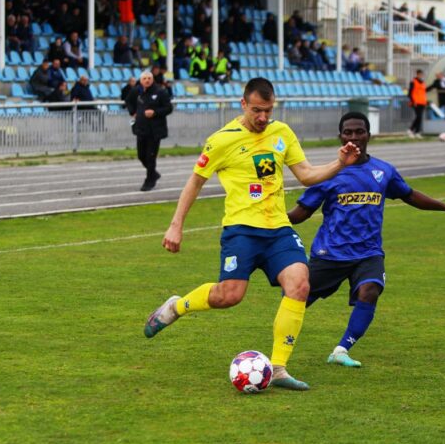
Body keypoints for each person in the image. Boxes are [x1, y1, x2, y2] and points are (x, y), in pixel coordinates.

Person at [143, 77, 361, 391]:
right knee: (229, 296)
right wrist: (176, 224)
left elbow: (307, 175)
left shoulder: (282, 133)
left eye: (268, 111)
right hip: (241, 231)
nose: (262, 118)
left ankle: (279, 367)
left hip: (279, 231)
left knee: (299, 284)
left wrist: (339, 163)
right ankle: (177, 306)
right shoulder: (221, 140)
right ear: (243, 104)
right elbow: (195, 182)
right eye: (257, 110)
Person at [287, 112, 445, 367]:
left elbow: (409, 195)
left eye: (359, 131)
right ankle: (277, 348)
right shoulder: (327, 175)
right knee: (297, 298)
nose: (353, 137)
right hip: (330, 253)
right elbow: (301, 213)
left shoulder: (383, 171)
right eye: (348, 132)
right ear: (340, 136)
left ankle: (341, 351)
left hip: (368, 253)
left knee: (370, 291)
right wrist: (271, 220)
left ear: (368, 135)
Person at [131, 70, 172, 191]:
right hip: (141, 129)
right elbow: (128, 101)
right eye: (145, 78)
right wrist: (132, 112)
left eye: (149, 78)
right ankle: (153, 173)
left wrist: (155, 113)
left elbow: (168, 108)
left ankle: (149, 180)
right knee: (141, 156)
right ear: (141, 80)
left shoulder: (160, 92)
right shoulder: (137, 91)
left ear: (152, 79)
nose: (147, 80)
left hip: (155, 130)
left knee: (150, 156)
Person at [407, 69, 427, 137]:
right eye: (420, 74)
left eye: (422, 74)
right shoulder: (413, 82)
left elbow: (424, 91)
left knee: (420, 117)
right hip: (416, 102)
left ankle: (417, 132)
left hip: (422, 102)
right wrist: (413, 101)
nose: (421, 76)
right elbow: (410, 93)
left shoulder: (423, 82)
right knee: (418, 116)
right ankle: (411, 129)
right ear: (417, 74)